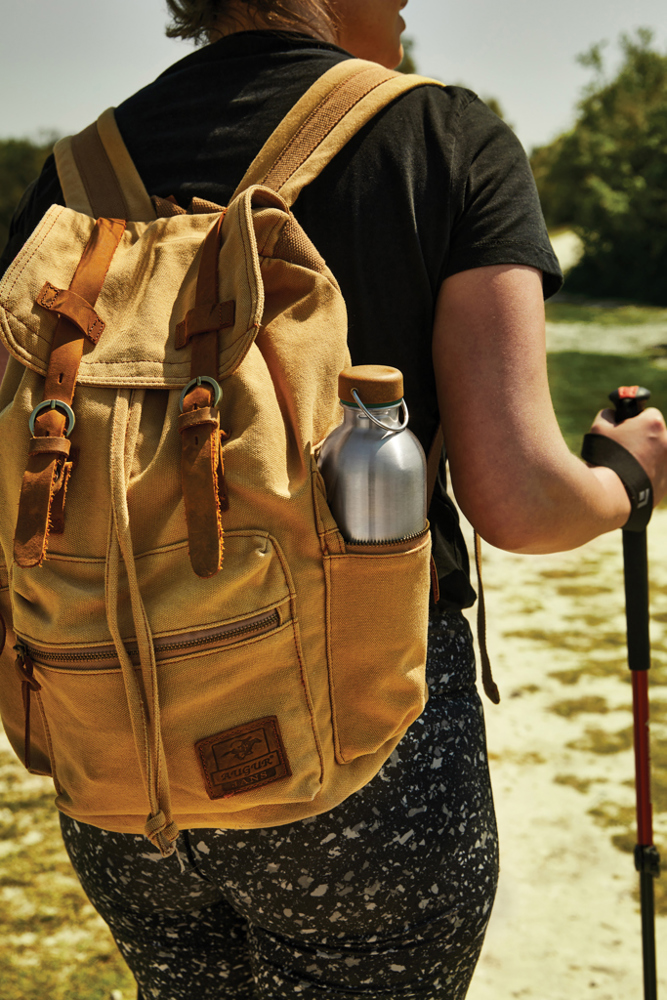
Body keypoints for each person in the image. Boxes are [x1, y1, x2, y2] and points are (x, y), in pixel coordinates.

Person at [2, 2, 667, 998]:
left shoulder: (78, 174)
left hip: (118, 755)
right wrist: (627, 476)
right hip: (359, 760)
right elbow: (520, 502)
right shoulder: (441, 136)